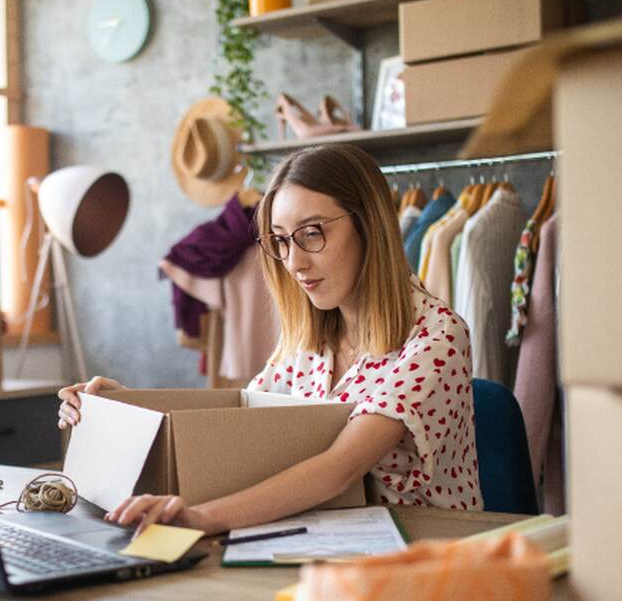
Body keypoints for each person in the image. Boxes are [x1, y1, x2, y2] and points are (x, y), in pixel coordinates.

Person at [57, 144, 482, 535]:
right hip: (327, 538)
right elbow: (239, 426)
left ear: (368, 227)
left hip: (426, 549)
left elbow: (337, 471)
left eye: (312, 233)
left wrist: (199, 517)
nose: (294, 262)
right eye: (280, 240)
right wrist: (126, 407)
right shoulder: (310, 338)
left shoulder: (436, 338)